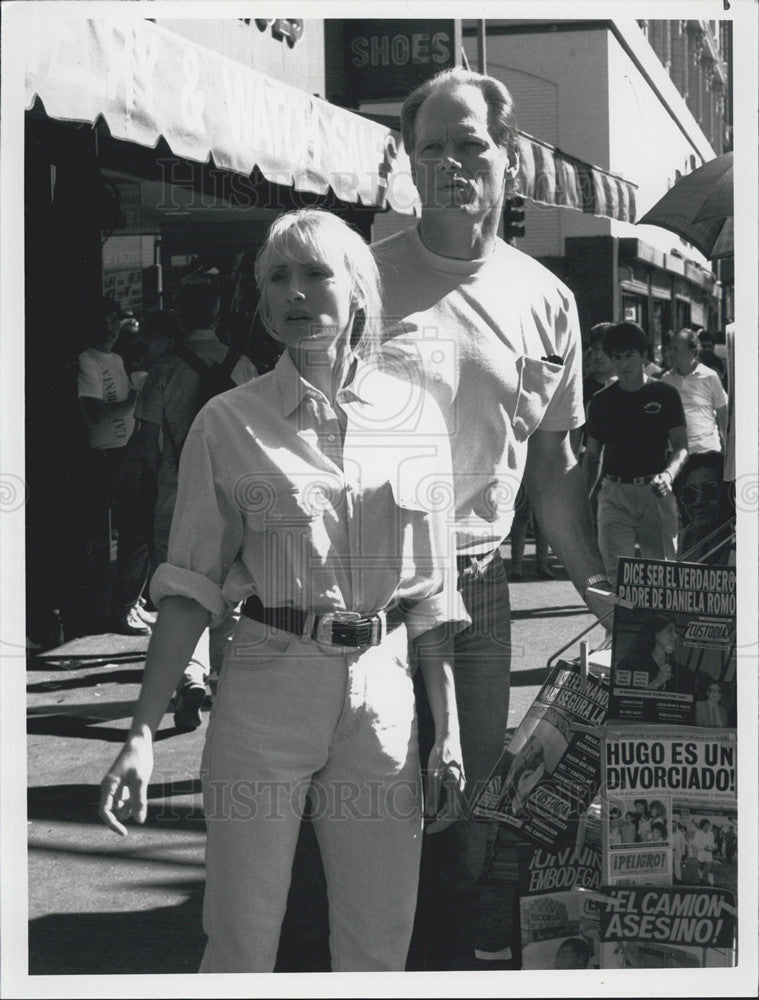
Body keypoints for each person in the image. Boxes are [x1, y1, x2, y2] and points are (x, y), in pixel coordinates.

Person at [100, 209, 469, 973]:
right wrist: (138, 734)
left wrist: (450, 733)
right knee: (241, 934)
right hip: (266, 690)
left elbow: (432, 593)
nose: (297, 293)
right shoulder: (226, 423)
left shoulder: (416, 420)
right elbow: (189, 589)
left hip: (382, 699)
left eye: (316, 273)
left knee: (378, 940)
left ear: (357, 293)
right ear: (264, 308)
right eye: (279, 278)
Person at [372, 66, 614, 970]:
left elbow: (550, 471)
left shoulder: (548, 301)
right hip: (368, 584)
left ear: (507, 157)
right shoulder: (364, 277)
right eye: (431, 145)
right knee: (368, 800)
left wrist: (600, 591)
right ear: (409, 160)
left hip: (476, 586)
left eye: (470, 142)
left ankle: (440, 964)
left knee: (469, 813)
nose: (451, 162)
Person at [132, 285, 258, 729]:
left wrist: (166, 474)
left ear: (181, 319)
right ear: (219, 312)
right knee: (232, 588)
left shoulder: (163, 369)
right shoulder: (243, 367)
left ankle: (190, 679)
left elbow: (146, 442)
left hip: (176, 495)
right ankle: (226, 681)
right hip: (239, 496)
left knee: (183, 585)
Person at [583, 322, 689, 581]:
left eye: (629, 355)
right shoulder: (600, 402)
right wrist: (582, 500)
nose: (623, 363)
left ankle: (661, 622)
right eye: (616, 357)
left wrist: (668, 476)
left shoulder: (665, 394)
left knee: (661, 575)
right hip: (614, 495)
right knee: (616, 575)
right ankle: (623, 622)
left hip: (655, 491)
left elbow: (682, 448)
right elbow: (592, 456)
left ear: (643, 356)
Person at [77, 296, 149, 635]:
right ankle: (114, 610)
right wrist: (136, 401)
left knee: (136, 536)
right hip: (103, 459)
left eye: (113, 320)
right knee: (113, 540)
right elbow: (93, 412)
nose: (109, 327)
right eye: (102, 320)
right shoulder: (86, 360)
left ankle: (128, 605)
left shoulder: (118, 358)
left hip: (125, 454)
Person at [661, 328, 728, 456]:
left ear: (692, 352)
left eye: (675, 349)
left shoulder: (710, 377)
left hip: (706, 453)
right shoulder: (666, 379)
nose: (670, 354)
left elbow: (723, 416)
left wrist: (728, 450)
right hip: (675, 455)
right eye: (670, 349)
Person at [677, 451, 734, 564]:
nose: (698, 502)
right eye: (690, 494)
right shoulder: (688, 535)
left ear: (728, 494)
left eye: (710, 491)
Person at [692, 818, 716, 885]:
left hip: (709, 853)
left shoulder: (711, 834)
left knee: (711, 869)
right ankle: (701, 879)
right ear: (702, 826)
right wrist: (704, 848)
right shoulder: (698, 833)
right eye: (706, 825)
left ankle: (711, 883)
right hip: (701, 853)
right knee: (701, 867)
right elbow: (695, 844)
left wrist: (713, 847)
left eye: (709, 825)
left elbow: (712, 843)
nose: (708, 827)